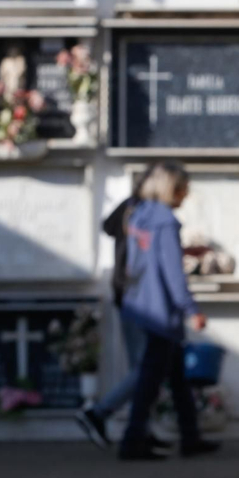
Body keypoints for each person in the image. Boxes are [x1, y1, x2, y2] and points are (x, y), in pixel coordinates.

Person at [115, 161, 220, 461]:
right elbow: (173, 273)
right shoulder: (165, 221)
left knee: (176, 377)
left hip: (140, 303)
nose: (186, 195)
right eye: (183, 189)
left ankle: (190, 436)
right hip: (161, 311)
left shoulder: (139, 216)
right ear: (172, 188)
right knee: (150, 379)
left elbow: (143, 263)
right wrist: (191, 309)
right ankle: (133, 439)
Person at [72, 174, 164, 452]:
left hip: (125, 293)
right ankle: (98, 412)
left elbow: (108, 227)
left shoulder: (129, 206)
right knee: (145, 368)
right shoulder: (147, 211)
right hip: (139, 297)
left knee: (148, 367)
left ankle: (140, 429)